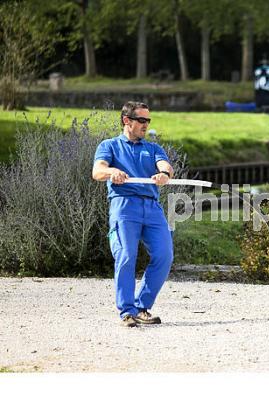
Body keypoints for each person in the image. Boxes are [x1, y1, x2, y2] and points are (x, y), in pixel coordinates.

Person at [92, 101, 174, 327]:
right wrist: (112, 171)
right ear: (126, 120)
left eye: (148, 120)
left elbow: (165, 165)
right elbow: (97, 170)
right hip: (124, 206)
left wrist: (163, 174)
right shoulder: (109, 146)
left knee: (164, 255)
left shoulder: (153, 148)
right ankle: (127, 312)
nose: (146, 124)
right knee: (126, 255)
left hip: (152, 207)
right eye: (141, 120)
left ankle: (141, 306)